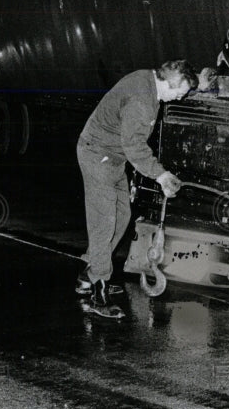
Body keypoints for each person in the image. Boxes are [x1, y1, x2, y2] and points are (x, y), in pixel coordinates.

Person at [75, 60, 194, 318]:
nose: (179, 98)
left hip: (113, 157)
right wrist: (161, 176)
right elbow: (135, 147)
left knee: (122, 216)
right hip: (98, 156)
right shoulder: (142, 101)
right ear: (167, 82)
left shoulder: (147, 82)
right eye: (179, 93)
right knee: (104, 222)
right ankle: (98, 291)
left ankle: (90, 271)